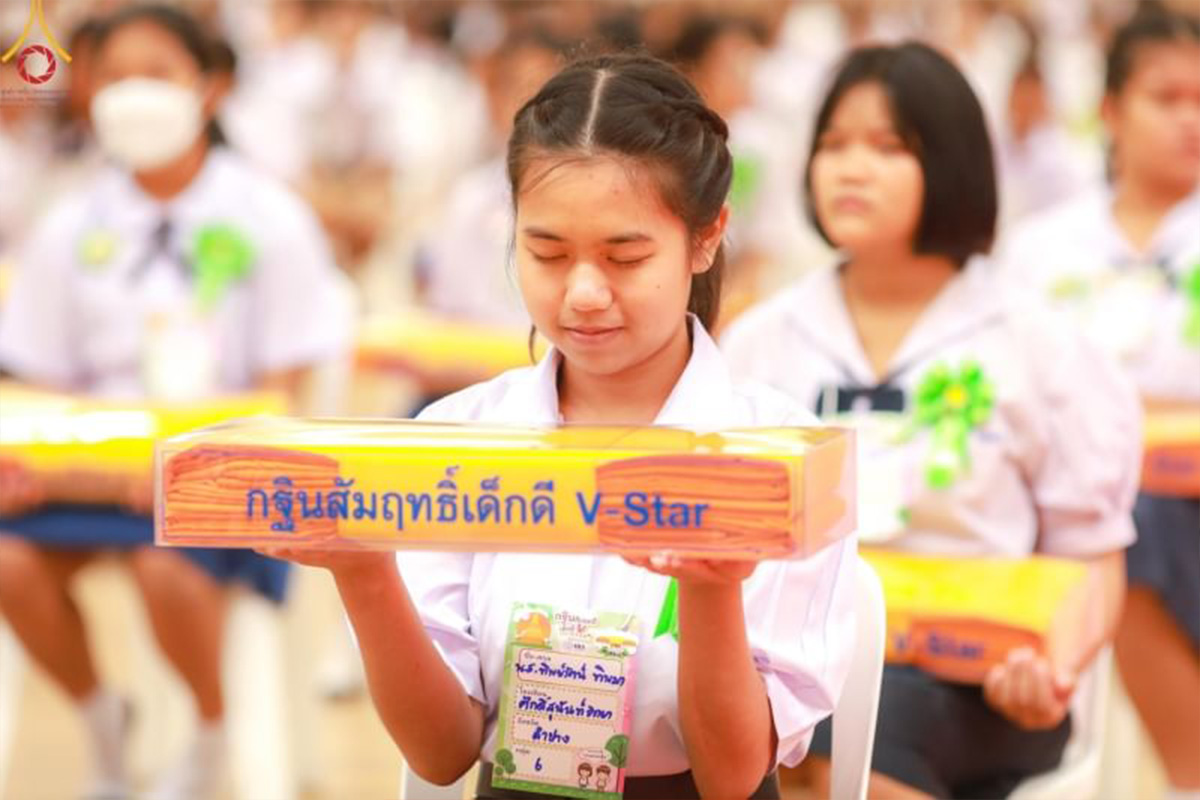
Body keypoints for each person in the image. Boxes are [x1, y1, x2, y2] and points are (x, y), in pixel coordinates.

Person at [265, 53, 855, 800]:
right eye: (546, 252)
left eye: (625, 256)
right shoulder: (460, 440)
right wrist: (364, 571)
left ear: (706, 238)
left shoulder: (777, 463)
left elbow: (732, 776)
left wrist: (711, 588)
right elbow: (441, 752)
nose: (582, 293)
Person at [722, 42, 1139, 799]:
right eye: (834, 145)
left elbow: (1093, 554)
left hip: (980, 679)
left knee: (843, 732)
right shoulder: (762, 339)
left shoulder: (1035, 341)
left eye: (888, 148)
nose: (851, 169)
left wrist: (1055, 668)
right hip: (800, 658)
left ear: (951, 164)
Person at [0, 6, 352, 799]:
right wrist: (49, 464)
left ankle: (208, 737)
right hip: (90, 475)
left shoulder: (269, 219)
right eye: (115, 76)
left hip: (220, 473)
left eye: (155, 74)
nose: (133, 94)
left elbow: (284, 393)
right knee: (8, 560)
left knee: (165, 561)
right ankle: (105, 729)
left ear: (210, 86)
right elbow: (34, 382)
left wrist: (183, 468)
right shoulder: (69, 225)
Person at [1000, 7, 1200, 798]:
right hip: (1079, 514)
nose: (1191, 120)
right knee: (1122, 516)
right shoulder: (1043, 248)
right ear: (1111, 109)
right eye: (1167, 97)